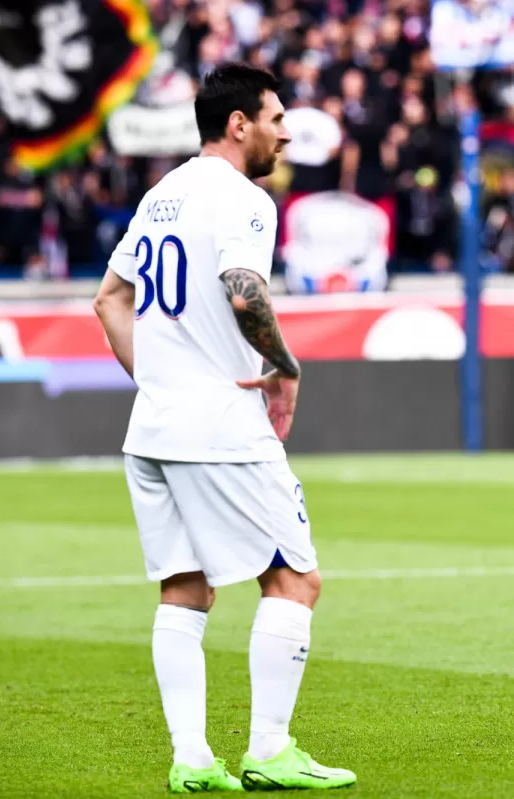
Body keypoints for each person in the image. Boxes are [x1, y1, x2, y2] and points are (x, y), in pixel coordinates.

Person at [92, 62, 356, 793]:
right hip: (220, 425)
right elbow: (244, 291)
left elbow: (109, 300)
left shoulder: (160, 195)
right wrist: (284, 363)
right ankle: (270, 749)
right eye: (276, 118)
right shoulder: (245, 198)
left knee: (185, 588)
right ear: (239, 124)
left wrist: (160, 379)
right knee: (295, 580)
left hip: (152, 428)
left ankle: (192, 760)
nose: (285, 132)